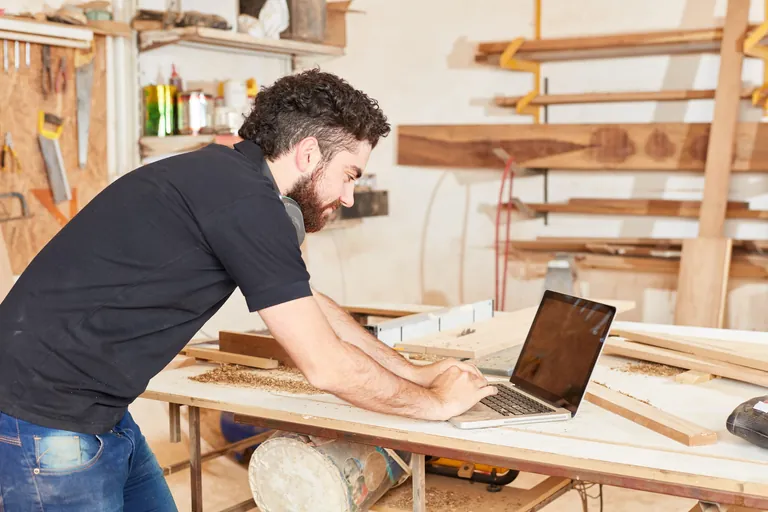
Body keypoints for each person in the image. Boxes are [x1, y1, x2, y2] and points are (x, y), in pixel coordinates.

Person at [0, 69, 496, 511]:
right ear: (307, 154)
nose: (348, 195)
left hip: (96, 413)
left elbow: (309, 304)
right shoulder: (243, 201)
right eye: (349, 175)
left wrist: (412, 372)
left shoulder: (229, 181)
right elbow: (325, 366)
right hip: (44, 423)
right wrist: (435, 407)